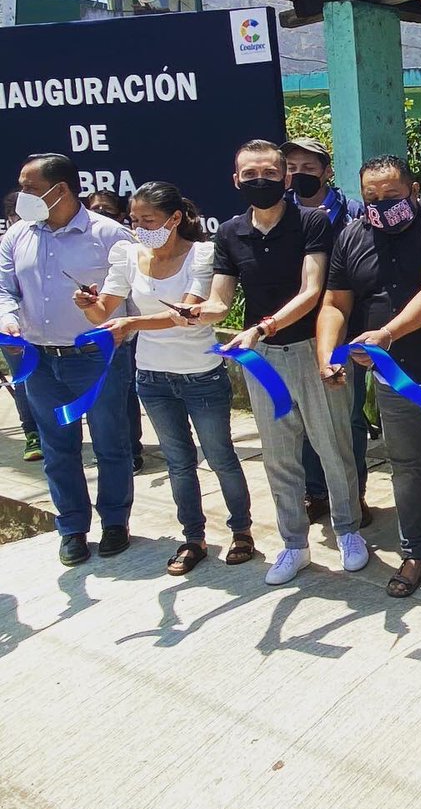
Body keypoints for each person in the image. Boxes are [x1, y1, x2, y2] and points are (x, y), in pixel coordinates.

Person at [318, 154, 421, 612]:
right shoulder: (353, 235)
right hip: (394, 382)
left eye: (391, 195)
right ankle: (416, 553)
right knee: (405, 467)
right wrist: (327, 356)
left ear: (413, 191)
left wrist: (388, 333)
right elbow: (335, 302)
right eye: (371, 197)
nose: (380, 205)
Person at [195, 139, 367, 586]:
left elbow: (313, 292)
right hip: (263, 359)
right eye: (250, 176)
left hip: (313, 347)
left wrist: (263, 326)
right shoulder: (231, 232)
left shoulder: (311, 222)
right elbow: (220, 299)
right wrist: (195, 310)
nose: (260, 182)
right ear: (236, 181)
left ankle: (349, 531)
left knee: (333, 447)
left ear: (286, 178)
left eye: (269, 174)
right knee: (279, 455)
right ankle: (294, 544)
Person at [75, 182, 254, 575]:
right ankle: (194, 538)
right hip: (152, 377)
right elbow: (104, 313)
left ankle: (241, 531)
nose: (139, 228)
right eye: (134, 219)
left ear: (174, 219)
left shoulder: (202, 255)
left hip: (201, 375)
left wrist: (131, 322)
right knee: (178, 462)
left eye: (148, 220)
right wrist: (90, 305)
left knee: (221, 457)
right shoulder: (126, 253)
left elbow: (187, 312)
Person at [0, 154, 135, 565]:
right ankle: (72, 528)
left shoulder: (109, 234)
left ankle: (115, 522)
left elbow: (131, 296)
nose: (22, 194)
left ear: (60, 189)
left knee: (111, 443)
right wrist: (6, 317)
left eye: (29, 186)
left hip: (97, 357)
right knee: (58, 448)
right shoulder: (18, 234)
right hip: (40, 360)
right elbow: (4, 286)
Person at [280, 136, 371, 528]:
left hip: (345, 329)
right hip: (294, 333)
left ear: (327, 171)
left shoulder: (354, 214)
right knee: (301, 419)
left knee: (348, 419)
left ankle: (354, 495)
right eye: (293, 169)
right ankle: (316, 493)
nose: (300, 176)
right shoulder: (277, 215)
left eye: (309, 169)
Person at [83, 190, 145, 472]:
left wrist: (130, 328)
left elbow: (131, 294)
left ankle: (131, 450)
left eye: (106, 209)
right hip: (83, 337)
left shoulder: (117, 237)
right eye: (94, 208)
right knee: (97, 403)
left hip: (118, 335)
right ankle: (106, 451)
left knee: (121, 398)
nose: (98, 213)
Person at [2, 189, 41, 462]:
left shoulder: (46, 241)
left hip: (50, 328)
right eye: (15, 216)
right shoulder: (7, 245)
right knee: (24, 381)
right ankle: (33, 434)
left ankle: (61, 434)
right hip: (13, 330)